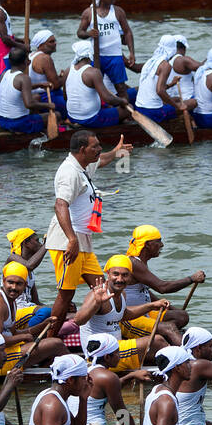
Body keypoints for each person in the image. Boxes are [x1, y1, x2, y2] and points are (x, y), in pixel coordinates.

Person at [44, 130, 132, 334]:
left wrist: (116, 152)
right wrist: (71, 240)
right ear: (82, 149)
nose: (99, 149)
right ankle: (50, 339)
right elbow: (60, 205)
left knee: (102, 288)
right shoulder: (69, 173)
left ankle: (104, 328)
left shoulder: (82, 166)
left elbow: (100, 161)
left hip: (83, 242)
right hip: (66, 242)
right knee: (66, 294)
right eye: (95, 146)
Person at [75, 255, 168, 372]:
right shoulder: (97, 295)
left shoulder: (122, 293)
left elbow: (124, 315)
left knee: (156, 348)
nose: (120, 279)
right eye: (116, 274)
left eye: (125, 275)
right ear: (108, 274)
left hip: (116, 348)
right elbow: (78, 320)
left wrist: (152, 305)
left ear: (130, 276)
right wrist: (96, 303)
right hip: (101, 354)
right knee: (158, 341)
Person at [0, 266, 63, 372]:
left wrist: (42, 326)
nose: (14, 287)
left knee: (48, 344)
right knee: (56, 344)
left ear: (25, 285)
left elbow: (13, 333)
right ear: (3, 281)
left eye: (19, 284)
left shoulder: (12, 301)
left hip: (1, 351)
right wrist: (24, 337)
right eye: (10, 282)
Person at [123, 224, 202, 339]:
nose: (162, 245)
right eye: (158, 241)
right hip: (130, 318)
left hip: (144, 313)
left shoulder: (140, 262)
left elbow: (144, 291)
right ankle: (183, 351)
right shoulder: (133, 263)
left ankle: (163, 334)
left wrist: (170, 307)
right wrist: (191, 279)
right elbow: (162, 287)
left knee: (181, 316)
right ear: (148, 244)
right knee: (169, 327)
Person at [76, 0, 136, 104]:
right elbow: (80, 33)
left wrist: (131, 52)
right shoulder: (88, 13)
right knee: (94, 87)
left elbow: (128, 32)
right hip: (96, 56)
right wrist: (89, 34)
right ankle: (98, 109)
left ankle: (126, 113)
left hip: (115, 56)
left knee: (120, 87)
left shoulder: (118, 12)